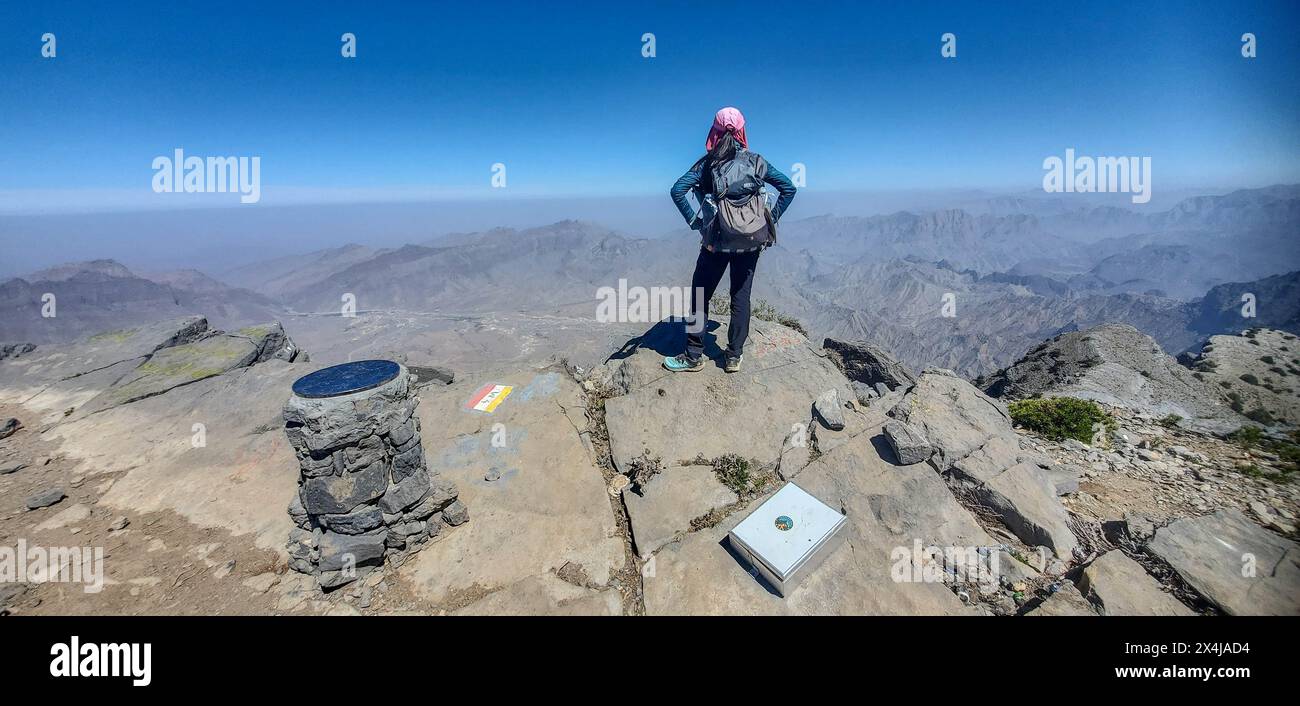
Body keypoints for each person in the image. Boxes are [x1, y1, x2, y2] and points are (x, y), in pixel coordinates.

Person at [664, 107, 797, 373]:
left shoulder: (707, 164)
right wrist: (768, 219)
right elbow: (789, 188)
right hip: (750, 243)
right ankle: (733, 356)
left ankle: (693, 356)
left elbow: (677, 190)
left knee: (700, 296)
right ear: (741, 131)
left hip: (715, 244)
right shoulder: (756, 161)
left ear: (714, 131)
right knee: (740, 296)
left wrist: (697, 223)